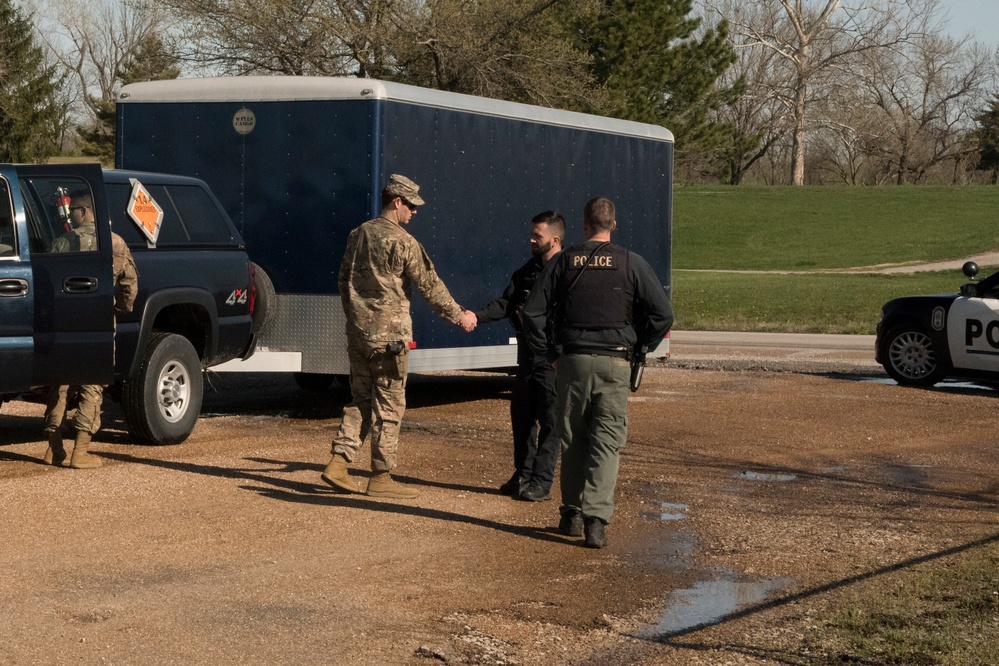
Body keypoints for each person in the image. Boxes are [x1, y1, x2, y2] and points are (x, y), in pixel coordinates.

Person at [522, 197, 673, 548]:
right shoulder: (630, 263)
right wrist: (640, 348)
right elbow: (662, 315)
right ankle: (596, 522)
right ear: (613, 225)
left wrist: (548, 354)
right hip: (615, 363)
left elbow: (533, 313)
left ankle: (571, 514)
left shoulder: (563, 262)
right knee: (606, 443)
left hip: (571, 361)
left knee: (572, 437)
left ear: (584, 225)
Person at [321, 174, 477, 499]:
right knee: (390, 405)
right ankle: (381, 477)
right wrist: (459, 315)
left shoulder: (357, 234)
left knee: (361, 400)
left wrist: (358, 318)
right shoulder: (404, 242)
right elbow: (430, 286)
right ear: (397, 202)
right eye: (411, 205)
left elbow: (342, 281)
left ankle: (338, 462)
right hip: (391, 338)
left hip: (359, 335)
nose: (415, 212)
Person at [43, 190, 138, 468]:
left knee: (59, 385)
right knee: (91, 385)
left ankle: (54, 449)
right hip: (97, 319)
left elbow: (47, 283)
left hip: (64, 320)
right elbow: (129, 286)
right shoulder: (116, 243)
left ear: (84, 212)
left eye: (73, 210)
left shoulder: (62, 242)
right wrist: (119, 310)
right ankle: (80, 451)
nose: (70, 215)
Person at [474, 211, 564, 501]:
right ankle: (522, 474)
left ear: (555, 238)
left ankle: (541, 481)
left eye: (537, 235)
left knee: (551, 420)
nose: (531, 239)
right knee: (522, 416)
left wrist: (560, 353)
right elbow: (507, 302)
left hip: (552, 359)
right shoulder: (528, 270)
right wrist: (476, 316)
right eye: (532, 234)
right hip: (527, 355)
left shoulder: (568, 271)